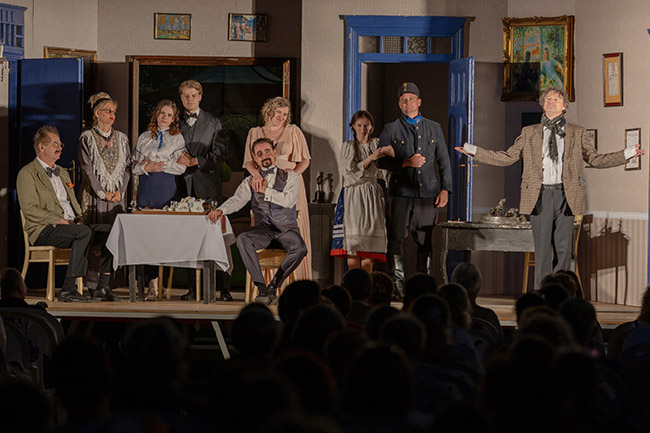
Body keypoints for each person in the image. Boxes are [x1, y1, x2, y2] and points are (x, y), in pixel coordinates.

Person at [456, 86, 645, 290]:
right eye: (547, 99)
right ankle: (542, 294)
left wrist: (626, 154)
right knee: (542, 250)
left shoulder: (577, 132)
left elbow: (596, 159)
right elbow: (507, 157)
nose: (551, 102)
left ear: (564, 106)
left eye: (556, 99)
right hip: (540, 195)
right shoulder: (529, 132)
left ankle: (564, 292)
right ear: (542, 105)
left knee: (565, 251)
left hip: (566, 195)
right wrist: (474, 152)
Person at [17, 126, 117, 302]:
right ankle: (68, 289)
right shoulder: (27, 173)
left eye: (60, 144)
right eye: (55, 144)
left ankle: (102, 287)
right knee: (83, 233)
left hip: (71, 226)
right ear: (41, 147)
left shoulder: (62, 172)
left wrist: (79, 219)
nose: (60, 147)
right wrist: (59, 219)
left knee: (109, 231)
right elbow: (30, 209)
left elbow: (73, 203)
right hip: (44, 229)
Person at [375, 82, 453, 300]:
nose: (407, 102)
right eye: (403, 100)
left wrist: (446, 189)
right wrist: (405, 163)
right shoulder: (391, 129)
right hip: (400, 193)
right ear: (399, 104)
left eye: (411, 99)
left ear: (419, 102)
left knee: (425, 239)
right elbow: (379, 161)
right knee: (395, 237)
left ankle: (423, 287)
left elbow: (444, 160)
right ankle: (398, 287)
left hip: (427, 193)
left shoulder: (434, 128)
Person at [209, 137, 307, 306]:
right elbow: (237, 200)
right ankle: (262, 288)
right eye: (259, 154)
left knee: (300, 248)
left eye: (267, 151)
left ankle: (273, 286)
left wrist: (266, 191)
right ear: (255, 158)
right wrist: (220, 210)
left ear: (274, 153)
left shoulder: (291, 176)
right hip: (264, 231)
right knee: (243, 239)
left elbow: (288, 200)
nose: (264, 156)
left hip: (286, 231)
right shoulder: (249, 181)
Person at [244, 97, 312, 283]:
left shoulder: (293, 131)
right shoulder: (255, 132)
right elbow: (248, 162)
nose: (282, 116)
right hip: (264, 184)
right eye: (279, 112)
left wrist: (293, 176)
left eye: (285, 114)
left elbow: (305, 160)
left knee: (292, 225)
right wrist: (257, 176)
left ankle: (294, 282)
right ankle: (266, 283)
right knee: (265, 223)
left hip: (289, 183)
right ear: (269, 110)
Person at [176, 80, 231, 302]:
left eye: (193, 95)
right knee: (189, 239)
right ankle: (193, 288)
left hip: (208, 186)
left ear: (200, 97)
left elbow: (221, 152)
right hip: (181, 187)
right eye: (186, 96)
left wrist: (196, 161)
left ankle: (224, 288)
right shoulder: (175, 122)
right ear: (181, 98)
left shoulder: (214, 122)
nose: (190, 99)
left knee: (216, 236)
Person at [132, 100, 186, 300]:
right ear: (156, 114)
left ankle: (161, 283)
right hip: (146, 189)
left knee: (162, 238)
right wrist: (146, 167)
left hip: (166, 189)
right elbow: (133, 167)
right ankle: (151, 285)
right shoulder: (144, 137)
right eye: (162, 113)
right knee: (146, 238)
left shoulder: (177, 138)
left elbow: (181, 167)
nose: (165, 117)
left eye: (169, 115)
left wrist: (160, 165)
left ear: (173, 119)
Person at [330, 110, 391, 272]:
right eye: (359, 125)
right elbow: (349, 174)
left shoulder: (376, 144)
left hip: (372, 194)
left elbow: (384, 172)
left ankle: (366, 282)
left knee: (369, 244)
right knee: (353, 245)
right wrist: (371, 158)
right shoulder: (348, 146)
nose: (363, 129)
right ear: (353, 126)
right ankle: (354, 281)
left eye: (366, 125)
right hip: (354, 194)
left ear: (371, 127)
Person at [78, 92, 131, 224]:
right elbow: (87, 168)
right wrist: (102, 192)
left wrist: (120, 191)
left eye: (114, 112)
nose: (112, 114)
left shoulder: (122, 138)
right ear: (97, 113)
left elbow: (128, 167)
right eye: (108, 111)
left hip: (116, 195)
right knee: (95, 231)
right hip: (94, 194)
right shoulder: (87, 137)